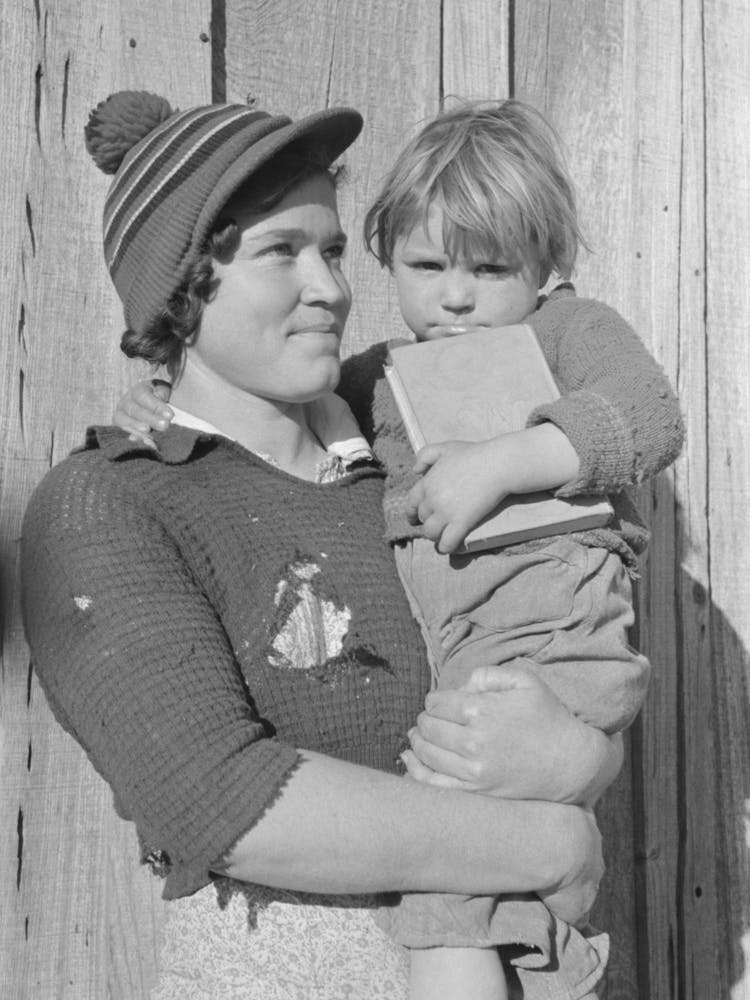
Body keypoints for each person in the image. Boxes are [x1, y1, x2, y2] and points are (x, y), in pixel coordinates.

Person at [21, 91, 611, 1000]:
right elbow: (220, 796)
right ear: (183, 288)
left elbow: (552, 645)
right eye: (280, 253)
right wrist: (553, 839)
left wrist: (582, 761)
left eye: (333, 249)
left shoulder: (412, 472)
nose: (332, 288)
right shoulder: (110, 503)